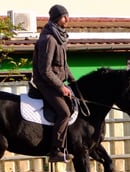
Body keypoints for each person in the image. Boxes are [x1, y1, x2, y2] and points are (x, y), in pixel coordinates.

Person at [32, 4, 75, 162]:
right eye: (65, 16)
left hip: (56, 81)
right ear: (57, 18)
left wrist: (73, 81)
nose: (67, 19)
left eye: (67, 15)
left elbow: (64, 64)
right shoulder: (49, 39)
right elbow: (45, 71)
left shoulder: (60, 37)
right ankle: (55, 150)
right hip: (45, 83)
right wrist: (61, 86)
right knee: (64, 113)